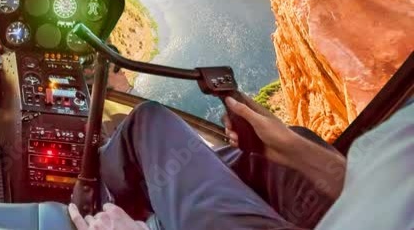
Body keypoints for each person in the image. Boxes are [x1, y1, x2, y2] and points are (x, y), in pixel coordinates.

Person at [67, 95, 413, 230]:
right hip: (360, 212)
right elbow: (387, 188)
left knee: (150, 122)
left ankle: (103, 206)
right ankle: (165, 208)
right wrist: (289, 147)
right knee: (298, 140)